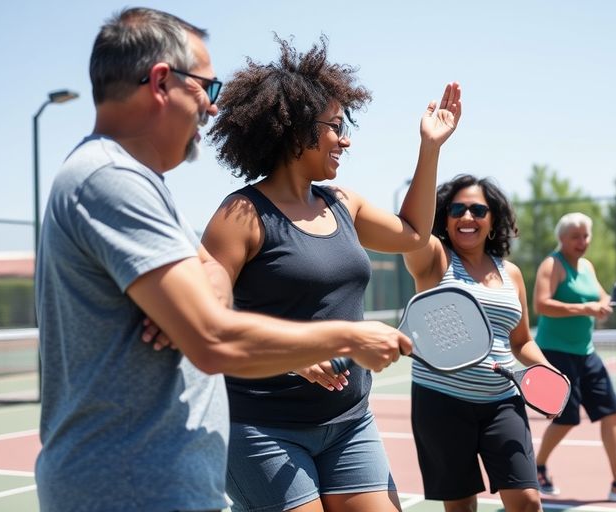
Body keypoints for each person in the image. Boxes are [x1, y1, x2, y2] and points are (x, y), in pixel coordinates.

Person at [35, 9, 409, 512]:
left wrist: (194, 303)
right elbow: (211, 339)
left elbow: (205, 294)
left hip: (159, 480)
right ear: (163, 82)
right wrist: (350, 337)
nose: (213, 110)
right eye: (208, 90)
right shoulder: (110, 180)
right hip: (127, 487)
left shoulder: (137, 182)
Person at [198, 37, 461, 512]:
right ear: (297, 129)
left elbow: (417, 233)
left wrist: (429, 147)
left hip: (349, 422)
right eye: (335, 127)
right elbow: (208, 313)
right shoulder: (239, 214)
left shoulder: (343, 203)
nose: (346, 138)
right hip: (259, 428)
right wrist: (294, 354)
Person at [403, 174, 551, 512]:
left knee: (528, 502)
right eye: (456, 209)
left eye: (477, 210)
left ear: (493, 219)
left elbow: (522, 340)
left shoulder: (511, 273)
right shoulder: (435, 258)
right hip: (441, 403)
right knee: (461, 509)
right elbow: (412, 226)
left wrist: (545, 373)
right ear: (445, 217)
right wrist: (431, 147)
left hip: (502, 402)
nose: (467, 217)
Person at [531, 212, 616, 504]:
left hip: (586, 352)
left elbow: (600, 297)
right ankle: (537, 468)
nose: (581, 242)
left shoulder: (586, 266)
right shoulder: (552, 265)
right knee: (567, 418)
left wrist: (601, 304)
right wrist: (587, 309)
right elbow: (541, 304)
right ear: (562, 238)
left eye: (585, 236)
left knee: (611, 413)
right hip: (555, 352)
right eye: (575, 236)